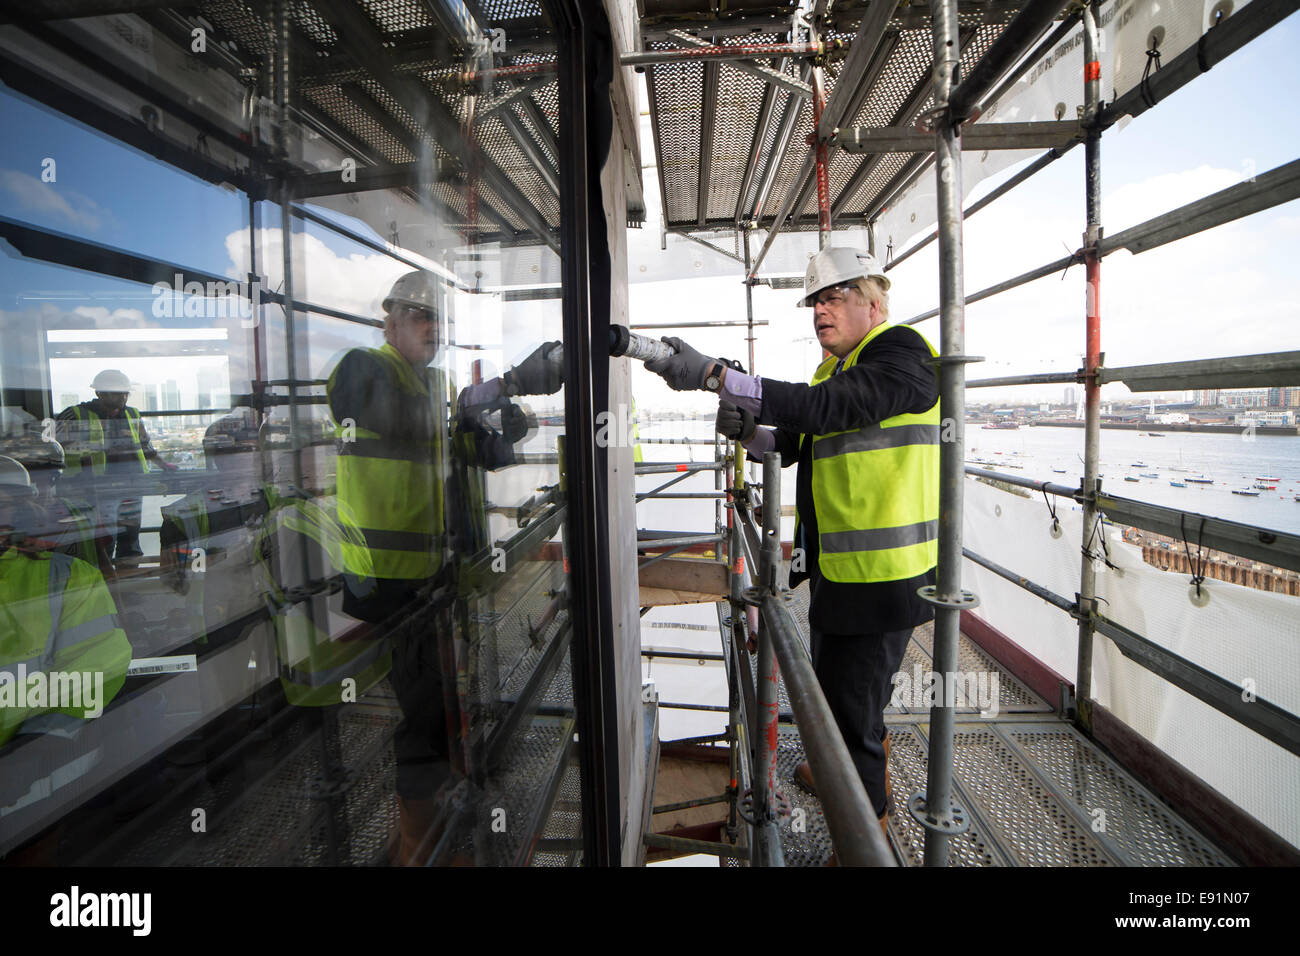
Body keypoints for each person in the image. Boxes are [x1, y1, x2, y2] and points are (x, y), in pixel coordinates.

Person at [644, 247, 939, 843]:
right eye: (815, 302)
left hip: (885, 574)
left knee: (849, 708)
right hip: (841, 570)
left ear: (874, 302)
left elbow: (838, 409)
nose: (819, 312)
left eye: (834, 298)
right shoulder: (834, 370)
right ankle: (845, 763)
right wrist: (751, 432)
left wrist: (716, 375)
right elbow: (799, 442)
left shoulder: (903, 353)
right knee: (843, 691)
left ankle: (865, 827)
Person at [326, 270, 562, 865]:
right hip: (383, 580)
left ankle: (439, 819)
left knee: (441, 698)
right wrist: (471, 407)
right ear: (391, 320)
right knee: (424, 710)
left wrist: (495, 433)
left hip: (432, 577)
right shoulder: (360, 370)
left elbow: (454, 454)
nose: (432, 330)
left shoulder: (439, 384)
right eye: (420, 317)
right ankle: (418, 847)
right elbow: (393, 417)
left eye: (438, 321)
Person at [56, 369, 178, 568]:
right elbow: (53, 445)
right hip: (96, 489)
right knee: (104, 538)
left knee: (129, 538)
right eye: (116, 392)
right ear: (99, 393)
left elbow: (144, 445)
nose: (122, 397)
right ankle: (106, 585)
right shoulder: (74, 415)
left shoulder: (132, 414)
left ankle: (128, 583)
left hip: (131, 485)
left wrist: (164, 465)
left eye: (125, 393)